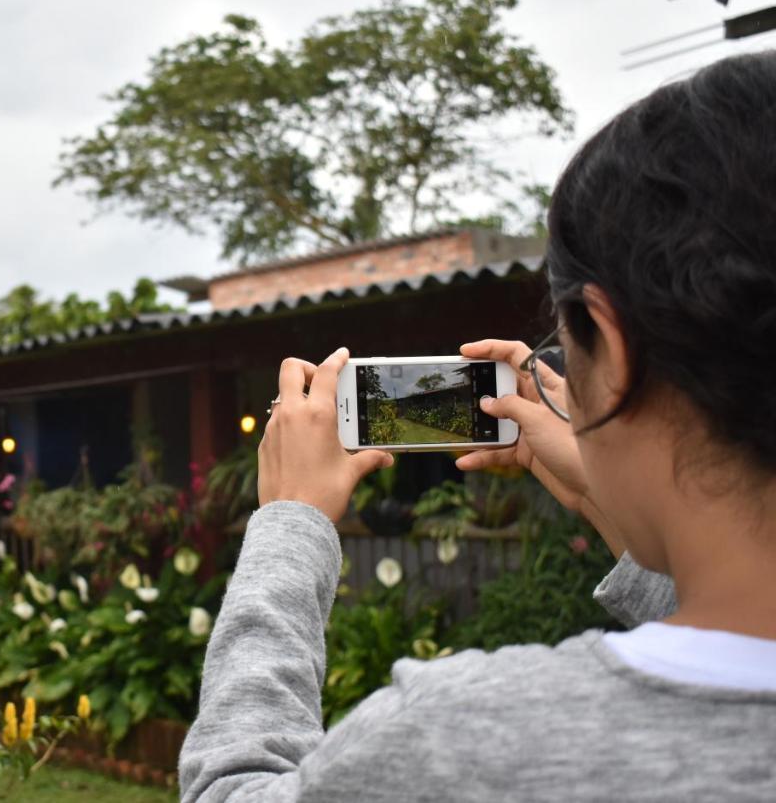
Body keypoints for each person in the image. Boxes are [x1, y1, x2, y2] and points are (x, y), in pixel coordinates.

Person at [179, 51, 776, 801]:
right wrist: (604, 490)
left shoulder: (464, 741)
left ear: (611, 347)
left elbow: (228, 789)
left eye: (569, 348)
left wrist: (289, 525)